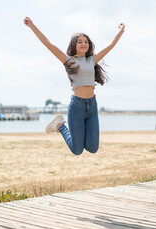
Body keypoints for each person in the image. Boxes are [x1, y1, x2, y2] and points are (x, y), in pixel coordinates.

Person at [24, 17, 125, 155]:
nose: (84, 44)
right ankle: (60, 126)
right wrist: (32, 26)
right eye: (80, 42)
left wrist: (121, 31)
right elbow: (48, 44)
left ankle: (64, 127)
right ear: (74, 45)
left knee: (93, 148)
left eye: (86, 42)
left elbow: (110, 45)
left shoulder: (92, 59)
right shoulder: (68, 60)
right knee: (77, 150)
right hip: (77, 106)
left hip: (92, 106)